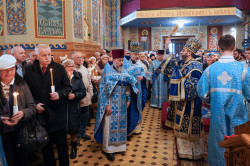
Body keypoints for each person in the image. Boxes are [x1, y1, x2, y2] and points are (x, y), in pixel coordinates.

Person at [197, 35, 250, 166]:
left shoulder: (210, 69)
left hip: (217, 114)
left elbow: (202, 93)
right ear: (234, 48)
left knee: (218, 142)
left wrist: (212, 99)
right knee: (238, 143)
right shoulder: (244, 69)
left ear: (218, 48)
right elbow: (249, 94)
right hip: (238, 116)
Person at [157, 37, 204, 160]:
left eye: (183, 50)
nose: (180, 52)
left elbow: (193, 89)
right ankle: (184, 152)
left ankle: (192, 154)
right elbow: (169, 67)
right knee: (180, 130)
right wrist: (166, 48)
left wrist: (178, 81)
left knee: (188, 130)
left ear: (189, 53)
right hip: (181, 102)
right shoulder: (184, 62)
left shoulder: (196, 67)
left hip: (190, 105)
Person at [24, 44, 71, 166]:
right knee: (46, 146)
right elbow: (26, 91)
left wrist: (60, 94)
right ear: (37, 56)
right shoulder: (29, 70)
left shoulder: (59, 68)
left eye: (49, 54)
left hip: (57, 113)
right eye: (44, 55)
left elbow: (67, 87)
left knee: (62, 145)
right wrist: (34, 105)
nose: (47, 58)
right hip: (41, 114)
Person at [94, 49, 137, 161]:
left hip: (122, 103)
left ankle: (119, 146)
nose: (121, 62)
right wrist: (107, 105)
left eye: (122, 60)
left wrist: (128, 99)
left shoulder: (124, 71)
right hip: (111, 103)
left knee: (121, 124)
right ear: (113, 60)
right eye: (119, 60)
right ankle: (108, 149)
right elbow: (103, 91)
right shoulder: (107, 72)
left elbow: (127, 86)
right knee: (109, 125)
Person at [0, 54, 36, 166]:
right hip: (3, 135)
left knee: (22, 161)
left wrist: (23, 113)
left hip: (21, 133)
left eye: (12, 69)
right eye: (4, 71)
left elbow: (32, 107)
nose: (9, 73)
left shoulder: (21, 84)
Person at [62, 59, 86, 159]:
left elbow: (83, 91)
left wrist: (75, 96)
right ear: (64, 68)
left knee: (74, 129)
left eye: (72, 66)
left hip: (73, 107)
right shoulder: (60, 78)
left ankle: (73, 148)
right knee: (62, 129)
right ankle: (63, 149)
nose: (71, 68)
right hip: (62, 107)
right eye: (68, 66)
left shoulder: (77, 77)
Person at [70, 52, 93, 142]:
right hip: (76, 98)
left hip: (86, 97)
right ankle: (77, 136)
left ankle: (83, 132)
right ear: (72, 59)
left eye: (81, 57)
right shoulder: (71, 69)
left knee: (85, 116)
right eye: (77, 57)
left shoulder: (84, 68)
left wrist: (90, 94)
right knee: (77, 118)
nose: (80, 59)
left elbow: (89, 82)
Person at [127, 42, 148, 137]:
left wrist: (142, 77)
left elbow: (143, 73)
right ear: (130, 54)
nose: (137, 56)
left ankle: (137, 128)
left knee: (138, 106)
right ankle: (130, 128)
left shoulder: (139, 64)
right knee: (131, 107)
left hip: (138, 89)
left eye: (138, 54)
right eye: (135, 54)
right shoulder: (125, 65)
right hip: (130, 90)